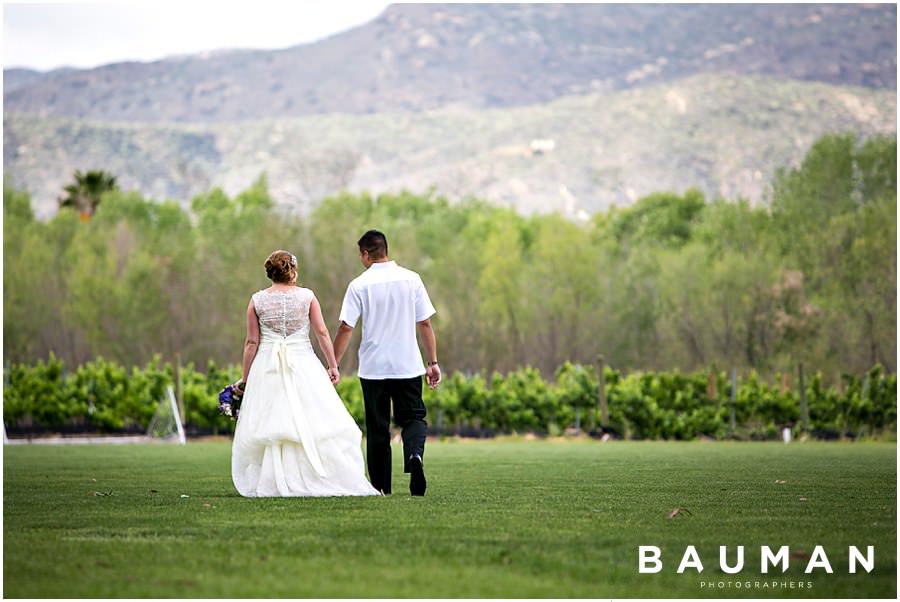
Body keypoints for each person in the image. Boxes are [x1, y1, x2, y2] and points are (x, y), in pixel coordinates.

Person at [231, 250, 380, 498]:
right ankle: (314, 475)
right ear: (293, 271)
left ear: (270, 272)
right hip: (303, 363)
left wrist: (246, 379)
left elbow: (251, 343)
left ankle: (274, 478)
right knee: (311, 418)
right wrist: (333, 365)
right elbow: (322, 333)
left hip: (267, 366)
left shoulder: (257, 300)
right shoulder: (307, 296)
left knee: (273, 419)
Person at [333, 230, 441, 496]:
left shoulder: (359, 285)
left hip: (374, 367)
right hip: (408, 364)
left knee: (378, 427)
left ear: (366, 254)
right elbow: (425, 322)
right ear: (386, 250)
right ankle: (414, 455)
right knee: (413, 418)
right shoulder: (411, 279)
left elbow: (346, 327)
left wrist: (333, 363)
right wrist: (433, 362)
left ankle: (381, 487)